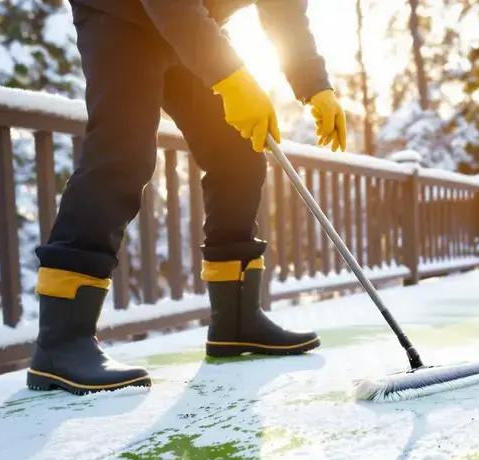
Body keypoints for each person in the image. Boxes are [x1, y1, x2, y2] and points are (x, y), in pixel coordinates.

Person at [25, 0, 346, 395]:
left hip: (195, 21)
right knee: (122, 156)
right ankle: (61, 343)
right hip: (122, 14)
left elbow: (284, 8)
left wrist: (315, 86)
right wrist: (231, 77)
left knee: (239, 151)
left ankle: (237, 322)